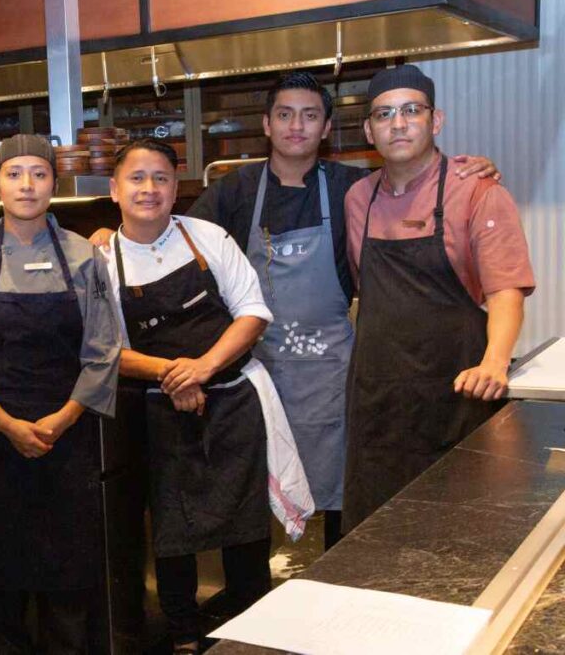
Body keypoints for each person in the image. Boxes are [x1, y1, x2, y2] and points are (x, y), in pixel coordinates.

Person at [184, 72, 501, 548]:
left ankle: (336, 579)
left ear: (327, 128)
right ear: (266, 125)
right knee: (254, 484)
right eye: (285, 115)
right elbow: (178, 238)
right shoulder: (236, 191)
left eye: (310, 115)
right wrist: (117, 234)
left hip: (334, 371)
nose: (297, 126)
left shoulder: (352, 188)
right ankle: (248, 597)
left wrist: (474, 169)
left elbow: (412, 178)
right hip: (260, 369)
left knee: (343, 487)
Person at [105, 138, 291, 653]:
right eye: (137, 178)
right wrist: (175, 376)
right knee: (173, 526)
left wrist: (203, 370)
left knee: (245, 527)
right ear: (115, 189)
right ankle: (184, 631)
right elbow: (107, 351)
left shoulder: (206, 236)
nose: (149, 189)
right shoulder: (104, 262)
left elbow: (252, 312)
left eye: (161, 178)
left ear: (176, 187)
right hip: (159, 415)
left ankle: (253, 624)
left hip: (233, 402)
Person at [0, 134, 120, 653]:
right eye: (14, 173)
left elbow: (104, 349)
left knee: (68, 593)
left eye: (38, 173)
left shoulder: (85, 257)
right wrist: (5, 423)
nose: (26, 184)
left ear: (53, 183)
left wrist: (62, 419)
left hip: (68, 446)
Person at [342, 64, 535, 533]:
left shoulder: (477, 191)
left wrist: (494, 362)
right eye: (385, 114)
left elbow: (505, 290)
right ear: (370, 130)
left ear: (437, 120)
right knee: (376, 539)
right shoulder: (357, 198)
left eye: (412, 110)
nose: (399, 123)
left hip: (456, 395)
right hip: (380, 403)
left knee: (456, 536)